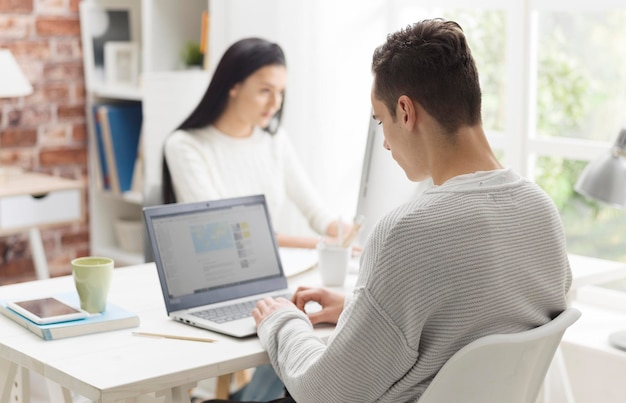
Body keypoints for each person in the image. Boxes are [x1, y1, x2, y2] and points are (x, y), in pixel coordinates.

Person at [205, 18, 572, 403]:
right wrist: (359, 312)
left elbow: (322, 393)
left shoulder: (407, 231)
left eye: (381, 120)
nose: (384, 142)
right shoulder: (541, 211)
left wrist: (281, 321)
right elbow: (477, 323)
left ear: (406, 111)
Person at [164, 37, 352, 401]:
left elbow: (316, 211)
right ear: (233, 85)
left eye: (280, 92)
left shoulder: (273, 140)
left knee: (311, 333)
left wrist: (346, 234)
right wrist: (321, 243)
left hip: (269, 278)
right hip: (220, 283)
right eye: (265, 90)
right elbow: (229, 232)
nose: (275, 103)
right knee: (294, 337)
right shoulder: (186, 145)